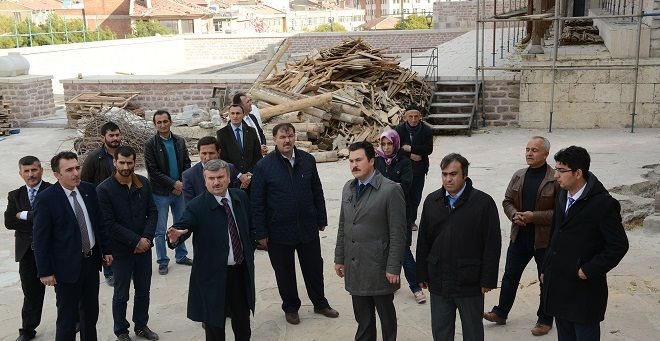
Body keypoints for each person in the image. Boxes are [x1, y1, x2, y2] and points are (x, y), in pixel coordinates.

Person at [251, 123, 338, 325]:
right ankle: (290, 307)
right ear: (274, 140)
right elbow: (257, 202)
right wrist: (260, 232)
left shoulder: (307, 160)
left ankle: (320, 303)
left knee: (314, 268)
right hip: (278, 231)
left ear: (295, 137)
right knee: (284, 271)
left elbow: (317, 190)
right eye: (282, 137)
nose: (287, 140)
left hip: (307, 227)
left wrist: (321, 218)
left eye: (290, 136)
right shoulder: (264, 166)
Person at [540, 146, 629, 341]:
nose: (555, 176)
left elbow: (618, 245)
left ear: (578, 173)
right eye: (556, 170)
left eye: (561, 171)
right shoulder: (563, 195)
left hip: (584, 291)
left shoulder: (603, 204)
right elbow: (555, 233)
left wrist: (588, 269)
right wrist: (547, 267)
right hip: (559, 285)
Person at [166, 159, 255, 341]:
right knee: (214, 328)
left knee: (243, 324)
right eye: (211, 178)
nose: (216, 182)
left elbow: (249, 227)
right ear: (205, 180)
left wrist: (250, 246)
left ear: (229, 178)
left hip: (239, 272)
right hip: (212, 277)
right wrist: (176, 236)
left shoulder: (240, 197)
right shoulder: (197, 206)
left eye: (220, 177)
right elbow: (184, 226)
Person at [416, 153, 501, 341]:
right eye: (444, 174)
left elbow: (492, 244)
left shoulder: (483, 203)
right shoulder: (432, 201)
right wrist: (421, 273)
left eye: (453, 174)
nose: (448, 179)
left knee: (472, 331)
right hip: (439, 279)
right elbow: (423, 241)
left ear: (465, 175)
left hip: (469, 281)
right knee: (441, 330)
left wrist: (488, 279)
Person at [33, 151, 113, 341]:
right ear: (56, 174)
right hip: (65, 269)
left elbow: (99, 223)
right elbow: (40, 239)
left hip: (91, 263)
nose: (76, 173)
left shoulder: (88, 190)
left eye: (77, 168)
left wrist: (106, 250)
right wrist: (45, 271)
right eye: (69, 170)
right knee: (68, 319)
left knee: (90, 314)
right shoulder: (46, 199)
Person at [483, 136, 557, 336]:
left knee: (546, 280)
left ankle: (545, 319)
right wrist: (514, 214)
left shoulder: (555, 178)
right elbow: (507, 200)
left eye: (534, 150)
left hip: (544, 240)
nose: (529, 153)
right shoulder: (518, 175)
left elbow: (560, 213)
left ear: (546, 154)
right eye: (527, 149)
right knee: (510, 276)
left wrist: (534, 217)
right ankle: (501, 313)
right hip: (519, 236)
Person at [334, 141, 406, 341]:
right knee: (363, 319)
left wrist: (393, 267)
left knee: (386, 317)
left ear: (372, 161)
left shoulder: (390, 190)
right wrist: (340, 258)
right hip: (355, 264)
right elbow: (343, 226)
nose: (354, 165)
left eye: (359, 160)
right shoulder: (348, 189)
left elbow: (398, 233)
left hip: (379, 267)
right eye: (350, 161)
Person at [97, 146, 159, 341]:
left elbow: (153, 212)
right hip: (121, 251)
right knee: (121, 293)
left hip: (144, 248)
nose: (125, 166)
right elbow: (108, 223)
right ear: (114, 162)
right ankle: (121, 331)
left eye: (129, 162)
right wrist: (135, 240)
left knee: (143, 291)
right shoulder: (104, 189)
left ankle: (141, 326)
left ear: (135, 162)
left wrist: (147, 238)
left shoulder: (144, 183)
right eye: (121, 162)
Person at [374, 130, 426, 304]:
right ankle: (390, 284)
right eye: (384, 144)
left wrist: (385, 187)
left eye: (390, 144)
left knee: (402, 249)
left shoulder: (404, 162)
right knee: (383, 248)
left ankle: (416, 287)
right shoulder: (377, 161)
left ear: (395, 144)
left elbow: (406, 185)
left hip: (401, 211)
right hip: (381, 212)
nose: (387, 147)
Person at [4, 156, 51, 341]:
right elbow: (9, 222)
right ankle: (28, 330)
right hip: (27, 253)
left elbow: (55, 219)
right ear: (20, 173)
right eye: (27, 171)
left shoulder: (53, 190)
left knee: (65, 289)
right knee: (31, 294)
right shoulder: (14, 195)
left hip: (51, 250)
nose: (31, 174)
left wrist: (24, 215)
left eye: (34, 170)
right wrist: (39, 220)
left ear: (41, 170)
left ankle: (75, 320)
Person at [144, 109, 193, 275]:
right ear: (155, 124)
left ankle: (181, 255)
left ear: (170, 122)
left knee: (180, 225)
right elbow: (153, 171)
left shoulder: (179, 141)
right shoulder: (150, 145)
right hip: (160, 193)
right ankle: (162, 261)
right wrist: (174, 184)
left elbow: (187, 163)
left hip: (179, 192)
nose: (163, 125)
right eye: (159, 122)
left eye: (165, 121)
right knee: (160, 229)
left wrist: (182, 184)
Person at [81, 121, 121, 286]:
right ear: (103, 137)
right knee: (106, 239)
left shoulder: (123, 154)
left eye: (117, 135)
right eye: (111, 135)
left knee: (122, 237)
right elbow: (84, 183)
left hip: (122, 203)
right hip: (101, 206)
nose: (115, 138)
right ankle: (109, 272)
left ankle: (123, 268)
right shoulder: (94, 157)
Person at [395, 103, 433, 231]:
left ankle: (411, 221)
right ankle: (403, 220)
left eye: (416, 116)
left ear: (420, 116)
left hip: (419, 169)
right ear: (405, 117)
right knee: (404, 195)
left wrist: (411, 148)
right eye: (410, 116)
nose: (413, 120)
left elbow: (428, 149)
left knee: (416, 196)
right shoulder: (399, 130)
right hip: (402, 168)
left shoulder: (426, 130)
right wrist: (411, 154)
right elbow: (394, 149)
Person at [217, 104, 262, 192]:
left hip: (251, 179)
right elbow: (223, 158)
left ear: (243, 114)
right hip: (233, 179)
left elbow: (257, 156)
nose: (235, 116)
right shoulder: (222, 134)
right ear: (229, 115)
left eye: (238, 113)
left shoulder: (251, 132)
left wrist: (249, 175)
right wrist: (239, 175)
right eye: (232, 113)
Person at [182, 136, 238, 203]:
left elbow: (235, 195)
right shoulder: (189, 175)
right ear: (198, 153)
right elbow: (189, 206)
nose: (208, 158)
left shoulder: (230, 168)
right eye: (204, 153)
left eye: (211, 153)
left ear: (219, 152)